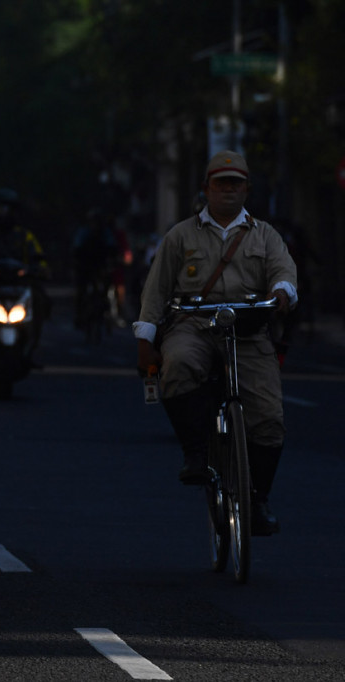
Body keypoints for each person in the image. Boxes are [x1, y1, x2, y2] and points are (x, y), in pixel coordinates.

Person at [134, 150, 297, 536]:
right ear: (206, 188)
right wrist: (146, 339)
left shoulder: (265, 234)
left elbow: (283, 272)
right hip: (194, 324)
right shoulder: (180, 235)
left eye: (235, 182)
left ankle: (258, 500)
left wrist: (283, 292)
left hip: (249, 330)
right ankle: (196, 454)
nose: (228, 189)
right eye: (221, 182)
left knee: (270, 419)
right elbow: (155, 292)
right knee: (178, 366)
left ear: (247, 189)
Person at [0, 187, 51, 356]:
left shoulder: (25, 236)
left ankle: (32, 343)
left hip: (20, 287)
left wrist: (40, 270)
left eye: (8, 209)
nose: (3, 213)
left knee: (40, 299)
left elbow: (38, 258)